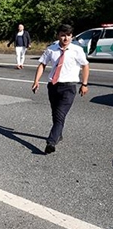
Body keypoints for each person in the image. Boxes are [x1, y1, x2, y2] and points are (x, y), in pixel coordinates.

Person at [31, 24, 89, 155]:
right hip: (53, 86)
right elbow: (42, 65)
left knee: (60, 114)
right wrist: (36, 81)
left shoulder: (77, 50)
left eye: (68, 35)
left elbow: (85, 66)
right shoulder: (51, 49)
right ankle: (59, 135)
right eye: (63, 35)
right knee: (56, 114)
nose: (66, 38)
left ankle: (51, 142)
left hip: (69, 87)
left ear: (72, 36)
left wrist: (84, 84)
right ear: (58, 35)